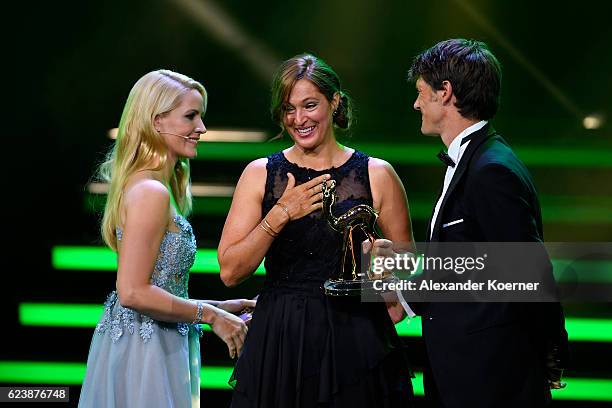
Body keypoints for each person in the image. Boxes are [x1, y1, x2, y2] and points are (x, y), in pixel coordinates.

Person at [218, 53, 415, 407]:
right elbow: (231, 271)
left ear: (334, 101)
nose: (299, 119)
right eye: (289, 109)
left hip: (356, 337)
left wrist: (385, 269)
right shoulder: (260, 174)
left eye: (309, 105)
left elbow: (407, 271)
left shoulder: (377, 174)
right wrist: (280, 214)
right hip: (281, 339)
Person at [398, 38, 569, 407]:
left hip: (492, 378)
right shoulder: (476, 161)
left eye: (421, 92)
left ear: (446, 92)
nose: (416, 103)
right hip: (467, 373)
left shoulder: (491, 170)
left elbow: (529, 271)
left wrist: (551, 351)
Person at [78, 69, 254, 408]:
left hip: (157, 341)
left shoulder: (158, 188)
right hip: (145, 353)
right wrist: (210, 316)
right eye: (191, 116)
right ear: (156, 121)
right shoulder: (150, 192)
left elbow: (159, 286)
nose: (201, 128)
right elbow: (131, 292)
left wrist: (222, 307)